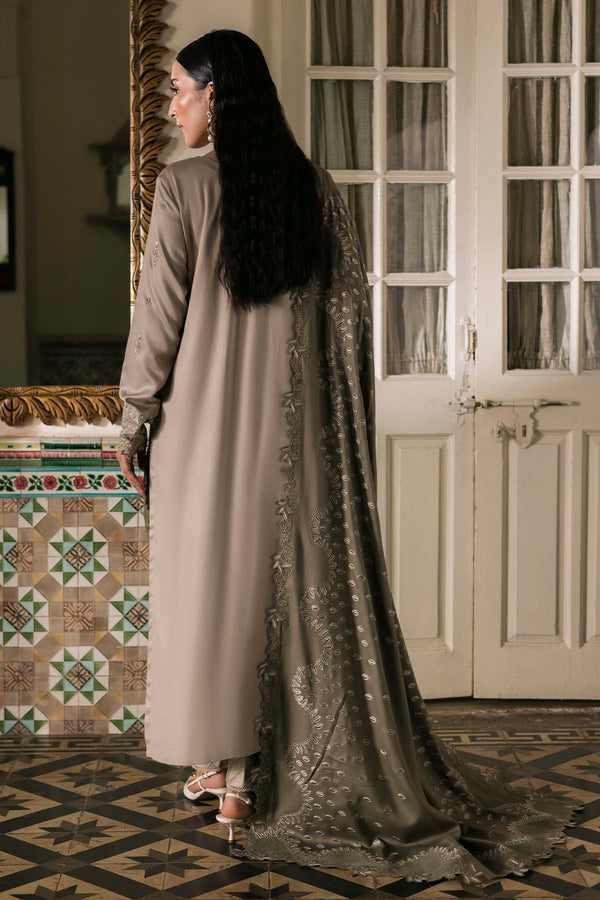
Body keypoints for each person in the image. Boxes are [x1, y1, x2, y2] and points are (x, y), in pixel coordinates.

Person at [117, 28, 583, 885]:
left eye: (181, 89)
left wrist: (133, 416)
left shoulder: (182, 187)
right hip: (294, 440)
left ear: (218, 94)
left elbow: (158, 321)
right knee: (269, 600)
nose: (172, 105)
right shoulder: (316, 191)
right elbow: (348, 327)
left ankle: (224, 770)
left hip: (200, 435)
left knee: (209, 595)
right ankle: (241, 781)